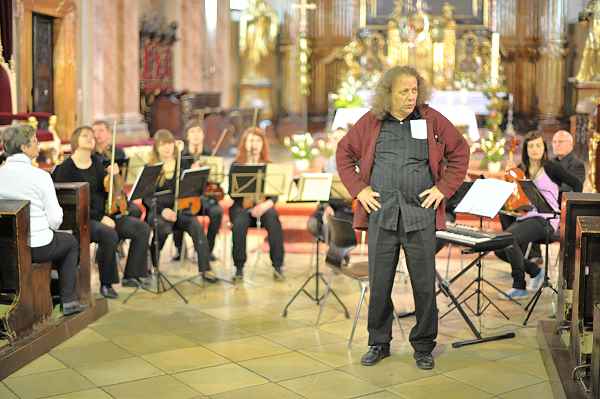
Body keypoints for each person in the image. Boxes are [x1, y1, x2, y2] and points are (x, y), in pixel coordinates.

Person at [336, 66, 469, 370]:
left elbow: (460, 151)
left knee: (423, 285)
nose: (411, 97)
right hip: (382, 216)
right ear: (388, 94)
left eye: (414, 90)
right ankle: (378, 342)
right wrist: (360, 190)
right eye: (403, 92)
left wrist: (442, 189)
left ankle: (423, 345)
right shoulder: (372, 122)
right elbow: (344, 154)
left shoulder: (430, 118)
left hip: (419, 216)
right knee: (380, 284)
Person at [53, 126, 151, 298]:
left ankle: (132, 275)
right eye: (85, 135)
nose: (91, 138)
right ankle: (106, 284)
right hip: (82, 219)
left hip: (105, 215)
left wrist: (113, 177)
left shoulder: (97, 164)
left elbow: (109, 193)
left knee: (141, 229)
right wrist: (100, 217)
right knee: (109, 234)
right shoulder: (66, 168)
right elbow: (68, 204)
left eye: (92, 136)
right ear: (75, 141)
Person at [0, 125, 84, 315]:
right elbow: (56, 219)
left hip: (5, 248)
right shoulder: (40, 176)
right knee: (70, 243)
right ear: (23, 147)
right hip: (35, 247)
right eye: (35, 141)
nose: (38, 144)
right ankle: (68, 300)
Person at [495, 132, 583, 300]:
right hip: (527, 217)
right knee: (499, 247)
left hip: (546, 219)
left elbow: (576, 184)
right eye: (531, 146)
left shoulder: (550, 167)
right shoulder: (522, 169)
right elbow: (515, 194)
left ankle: (519, 286)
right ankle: (536, 271)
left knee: (509, 238)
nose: (535, 149)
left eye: (538, 146)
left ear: (544, 148)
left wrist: (568, 211)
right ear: (526, 149)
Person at [143, 129, 217, 283]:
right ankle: (153, 265)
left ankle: (205, 269)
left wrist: (196, 176)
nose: (167, 148)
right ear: (156, 147)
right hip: (159, 212)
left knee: (196, 227)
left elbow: (192, 189)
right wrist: (163, 211)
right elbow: (147, 198)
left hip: (181, 209)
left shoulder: (181, 163)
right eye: (163, 144)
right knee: (162, 228)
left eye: (170, 143)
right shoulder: (151, 167)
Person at [229, 127, 285, 281]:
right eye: (251, 140)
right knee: (239, 223)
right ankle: (239, 267)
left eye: (258, 141)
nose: (254, 144)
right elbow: (232, 194)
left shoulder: (269, 165)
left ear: (263, 144)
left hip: (263, 207)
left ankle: (278, 265)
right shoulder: (236, 165)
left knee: (273, 219)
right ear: (244, 143)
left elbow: (274, 196)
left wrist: (264, 206)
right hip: (242, 207)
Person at [172, 121, 224, 262]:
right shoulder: (180, 157)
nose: (196, 135)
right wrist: (190, 173)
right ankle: (179, 250)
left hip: (206, 198)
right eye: (192, 132)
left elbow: (217, 181)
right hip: (186, 198)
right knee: (178, 210)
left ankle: (206, 249)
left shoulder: (211, 156)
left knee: (217, 212)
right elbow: (175, 182)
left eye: (199, 132)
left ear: (203, 135)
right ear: (187, 136)